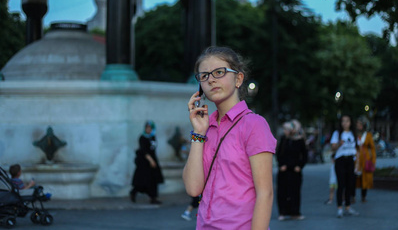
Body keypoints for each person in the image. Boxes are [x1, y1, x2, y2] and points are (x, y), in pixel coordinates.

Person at [183, 46, 277, 230]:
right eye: (204, 76)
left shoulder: (254, 125)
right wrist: (198, 134)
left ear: (238, 78)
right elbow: (193, 188)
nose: (211, 80)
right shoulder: (204, 127)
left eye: (219, 72)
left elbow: (265, 194)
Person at [276, 120, 307, 221]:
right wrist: (281, 165)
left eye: (287, 129)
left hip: (295, 170)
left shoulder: (300, 140)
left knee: (295, 192)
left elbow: (304, 155)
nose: (285, 131)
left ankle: (295, 212)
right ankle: (283, 212)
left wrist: (300, 166)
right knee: (282, 192)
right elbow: (278, 153)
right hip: (284, 170)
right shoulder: (284, 139)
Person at [330, 114, 359, 218]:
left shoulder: (353, 134)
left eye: (347, 121)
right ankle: (339, 208)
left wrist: (357, 163)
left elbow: (356, 150)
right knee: (341, 184)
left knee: (349, 184)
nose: (345, 123)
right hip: (340, 160)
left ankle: (347, 206)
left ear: (350, 123)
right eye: (343, 121)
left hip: (350, 160)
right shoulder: (337, 134)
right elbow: (333, 148)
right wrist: (339, 144)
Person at [130, 120, 164, 204]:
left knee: (153, 180)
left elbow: (153, 149)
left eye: (150, 128)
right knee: (142, 180)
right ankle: (133, 192)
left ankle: (153, 198)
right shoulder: (142, 137)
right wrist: (151, 160)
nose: (148, 129)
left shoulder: (152, 136)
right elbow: (144, 151)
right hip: (144, 162)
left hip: (152, 159)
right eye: (147, 128)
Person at [355, 116, 376, 202]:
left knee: (365, 178)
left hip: (365, 158)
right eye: (357, 124)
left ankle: (363, 196)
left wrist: (373, 160)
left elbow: (372, 148)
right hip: (356, 159)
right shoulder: (354, 135)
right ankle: (352, 196)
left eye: (360, 124)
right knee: (354, 177)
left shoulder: (368, 135)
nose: (358, 126)